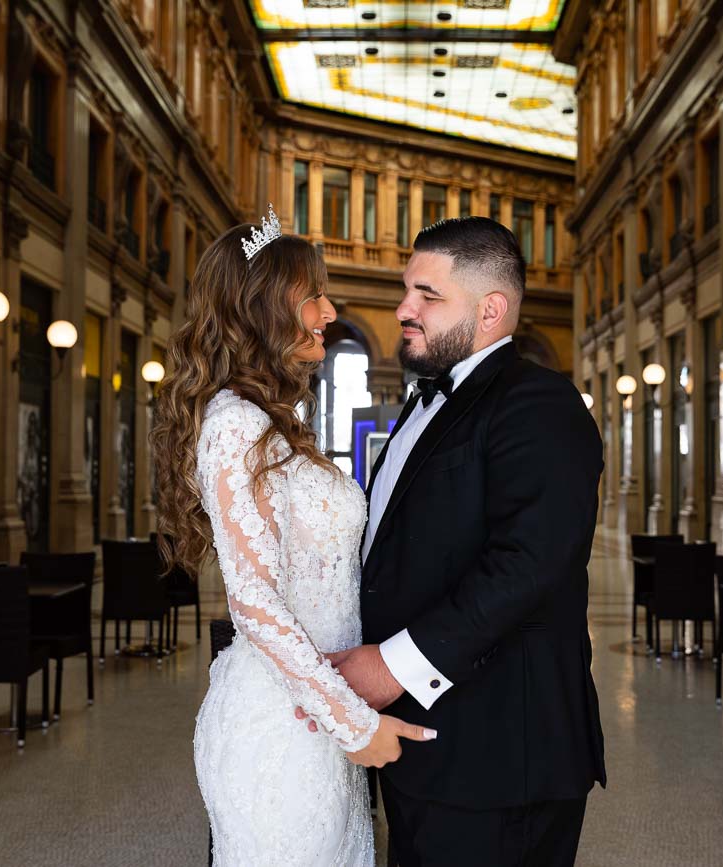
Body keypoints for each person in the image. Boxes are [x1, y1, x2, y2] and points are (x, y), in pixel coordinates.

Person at [304, 216, 606, 866]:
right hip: (418, 751)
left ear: (491, 309)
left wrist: (388, 666)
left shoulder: (542, 404)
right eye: (407, 289)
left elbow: (528, 565)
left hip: (501, 761)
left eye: (427, 295)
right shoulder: (419, 405)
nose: (404, 309)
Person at [150, 206, 434, 867]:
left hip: (313, 719)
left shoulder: (273, 421)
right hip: (283, 732)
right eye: (313, 297)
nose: (330, 311)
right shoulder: (234, 423)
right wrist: (354, 723)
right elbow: (254, 602)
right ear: (263, 311)